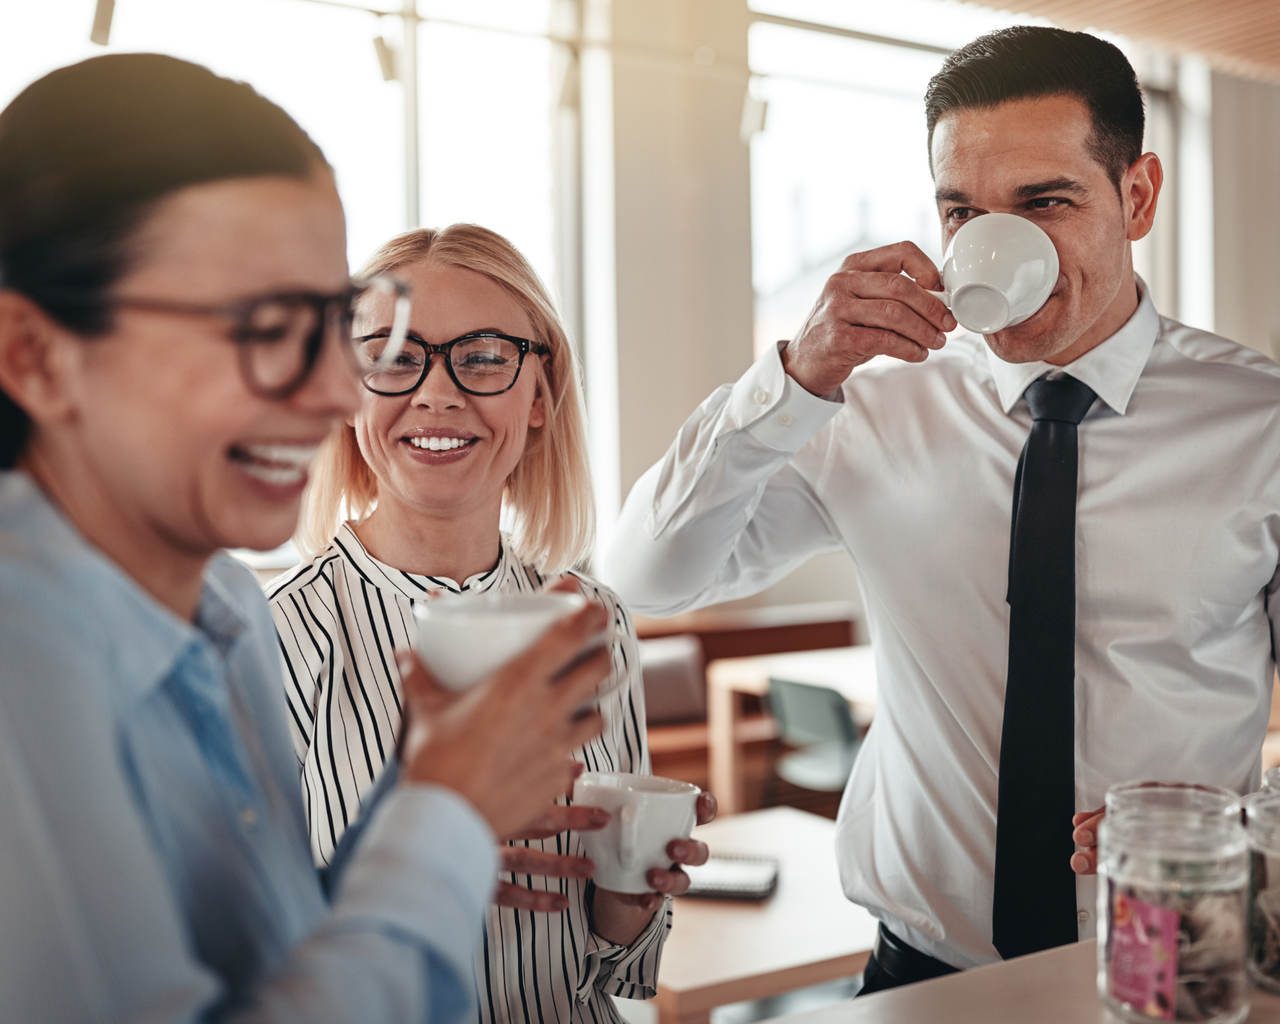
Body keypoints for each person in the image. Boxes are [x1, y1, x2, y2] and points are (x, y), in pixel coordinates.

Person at [602, 25, 1280, 990]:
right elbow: (647, 575)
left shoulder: (1261, 422)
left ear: (1138, 198)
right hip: (917, 975)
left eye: (1045, 202)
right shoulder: (870, 402)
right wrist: (793, 377)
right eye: (963, 211)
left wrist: (1228, 830)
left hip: (1175, 957)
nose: (999, 245)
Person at [0, 54, 613, 1022]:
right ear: (36, 357)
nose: (335, 393)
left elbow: (279, 958)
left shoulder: (228, 608)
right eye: (263, 325)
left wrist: (416, 791)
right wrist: (441, 819)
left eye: (333, 324)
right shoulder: (22, 671)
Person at [267, 223, 715, 1024]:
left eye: (481, 357)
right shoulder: (274, 638)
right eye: (396, 357)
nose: (437, 394)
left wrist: (634, 890)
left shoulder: (595, 619)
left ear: (538, 396)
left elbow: (617, 967)